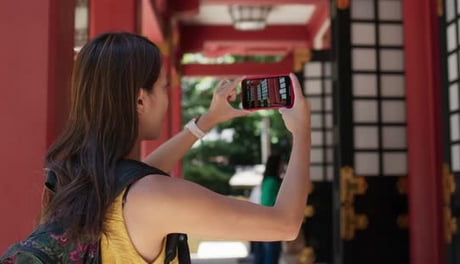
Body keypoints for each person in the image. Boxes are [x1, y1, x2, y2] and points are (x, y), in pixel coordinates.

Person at [41, 32, 311, 263]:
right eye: (163, 87)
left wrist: (209, 120)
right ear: (140, 100)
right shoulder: (150, 197)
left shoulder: (72, 176)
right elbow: (285, 224)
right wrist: (301, 133)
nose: (167, 97)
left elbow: (138, 174)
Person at [253, 154, 285, 264]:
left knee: (262, 257)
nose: (283, 167)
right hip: (270, 226)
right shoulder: (272, 182)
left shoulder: (268, 181)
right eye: (281, 164)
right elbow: (267, 204)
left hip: (263, 225)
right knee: (270, 258)